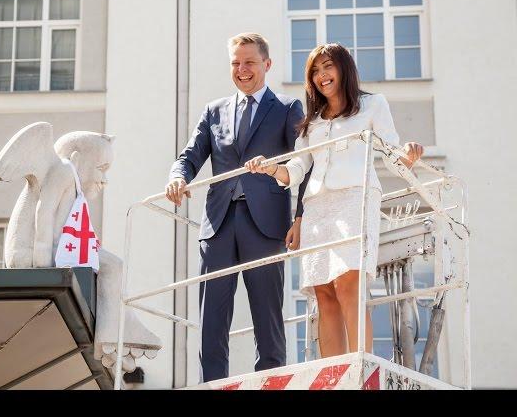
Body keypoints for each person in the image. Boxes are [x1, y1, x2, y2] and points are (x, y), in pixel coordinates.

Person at [245, 43, 423, 358]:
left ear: (343, 69)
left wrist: (407, 156)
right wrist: (271, 167)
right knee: (323, 293)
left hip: (355, 198)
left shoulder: (372, 105)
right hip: (317, 208)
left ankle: (358, 366)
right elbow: (297, 168)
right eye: (315, 71)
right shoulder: (311, 121)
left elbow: (392, 152)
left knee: (349, 284)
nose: (322, 75)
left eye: (328, 66)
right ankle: (334, 374)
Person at [166, 32, 310, 382]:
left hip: (266, 224)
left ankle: (271, 383)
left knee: (267, 318)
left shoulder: (288, 109)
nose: (242, 69)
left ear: (267, 64)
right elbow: (190, 155)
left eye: (249, 62)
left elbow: (305, 164)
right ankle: (212, 385)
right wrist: (177, 176)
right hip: (217, 225)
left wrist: (300, 217)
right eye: (236, 63)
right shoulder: (213, 110)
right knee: (211, 319)